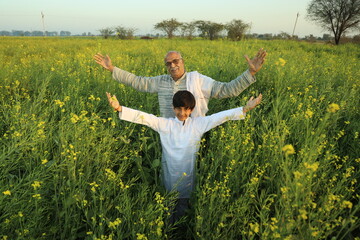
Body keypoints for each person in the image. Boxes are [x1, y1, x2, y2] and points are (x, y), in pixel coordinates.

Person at [106, 90, 262, 221]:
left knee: (184, 208)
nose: (183, 113)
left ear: (192, 110)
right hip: (169, 174)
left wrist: (245, 109)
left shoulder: (198, 125)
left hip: (188, 176)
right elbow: (146, 118)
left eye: (187, 109)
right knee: (167, 207)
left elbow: (218, 117)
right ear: (173, 108)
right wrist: (119, 108)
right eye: (179, 109)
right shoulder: (165, 124)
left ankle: (181, 228)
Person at [96, 49, 266, 118]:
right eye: (168, 63)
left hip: (194, 132)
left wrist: (250, 73)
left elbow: (227, 90)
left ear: (182, 61)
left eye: (175, 61)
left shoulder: (198, 80)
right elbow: (137, 81)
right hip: (169, 131)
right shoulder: (161, 81)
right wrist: (112, 69)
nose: (172, 65)